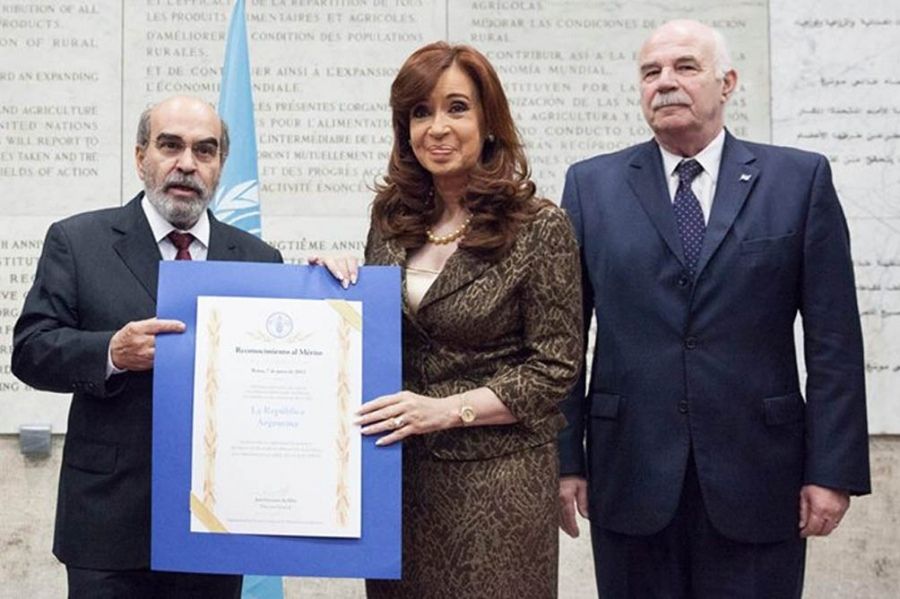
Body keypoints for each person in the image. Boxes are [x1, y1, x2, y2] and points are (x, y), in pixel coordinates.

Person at [557, 19, 871, 598]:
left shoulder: (798, 180)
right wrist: (564, 461)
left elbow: (835, 342)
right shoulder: (590, 186)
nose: (665, 83)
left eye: (685, 67)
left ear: (727, 83)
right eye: (650, 72)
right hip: (629, 472)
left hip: (761, 474)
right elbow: (563, 339)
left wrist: (832, 471)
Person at [322, 42, 583, 598]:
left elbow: (555, 368)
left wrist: (445, 410)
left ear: (489, 122)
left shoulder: (539, 226)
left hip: (498, 483)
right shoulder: (390, 220)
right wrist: (331, 287)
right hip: (398, 479)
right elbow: (379, 339)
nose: (436, 128)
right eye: (421, 112)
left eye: (456, 108)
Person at [12, 95, 282, 598]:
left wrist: (334, 286)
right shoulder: (78, 241)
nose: (187, 164)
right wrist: (111, 353)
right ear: (141, 157)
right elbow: (30, 350)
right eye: (170, 145)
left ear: (220, 166)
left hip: (217, 523)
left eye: (204, 150)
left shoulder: (258, 259)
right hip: (108, 525)